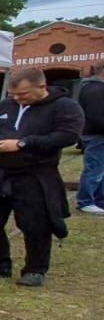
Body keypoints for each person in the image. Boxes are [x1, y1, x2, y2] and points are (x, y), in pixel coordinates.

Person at [0, 67, 85, 286]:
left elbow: (68, 136)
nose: (17, 98)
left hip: (34, 173)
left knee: (35, 223)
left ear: (41, 87)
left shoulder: (65, 107)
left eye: (23, 94)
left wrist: (22, 143)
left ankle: (35, 269)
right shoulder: (2, 106)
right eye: (13, 94)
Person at [75, 62, 104, 216]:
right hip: (96, 135)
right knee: (94, 169)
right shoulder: (95, 90)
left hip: (96, 134)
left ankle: (99, 200)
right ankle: (86, 201)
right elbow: (96, 115)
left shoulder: (92, 87)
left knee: (100, 169)